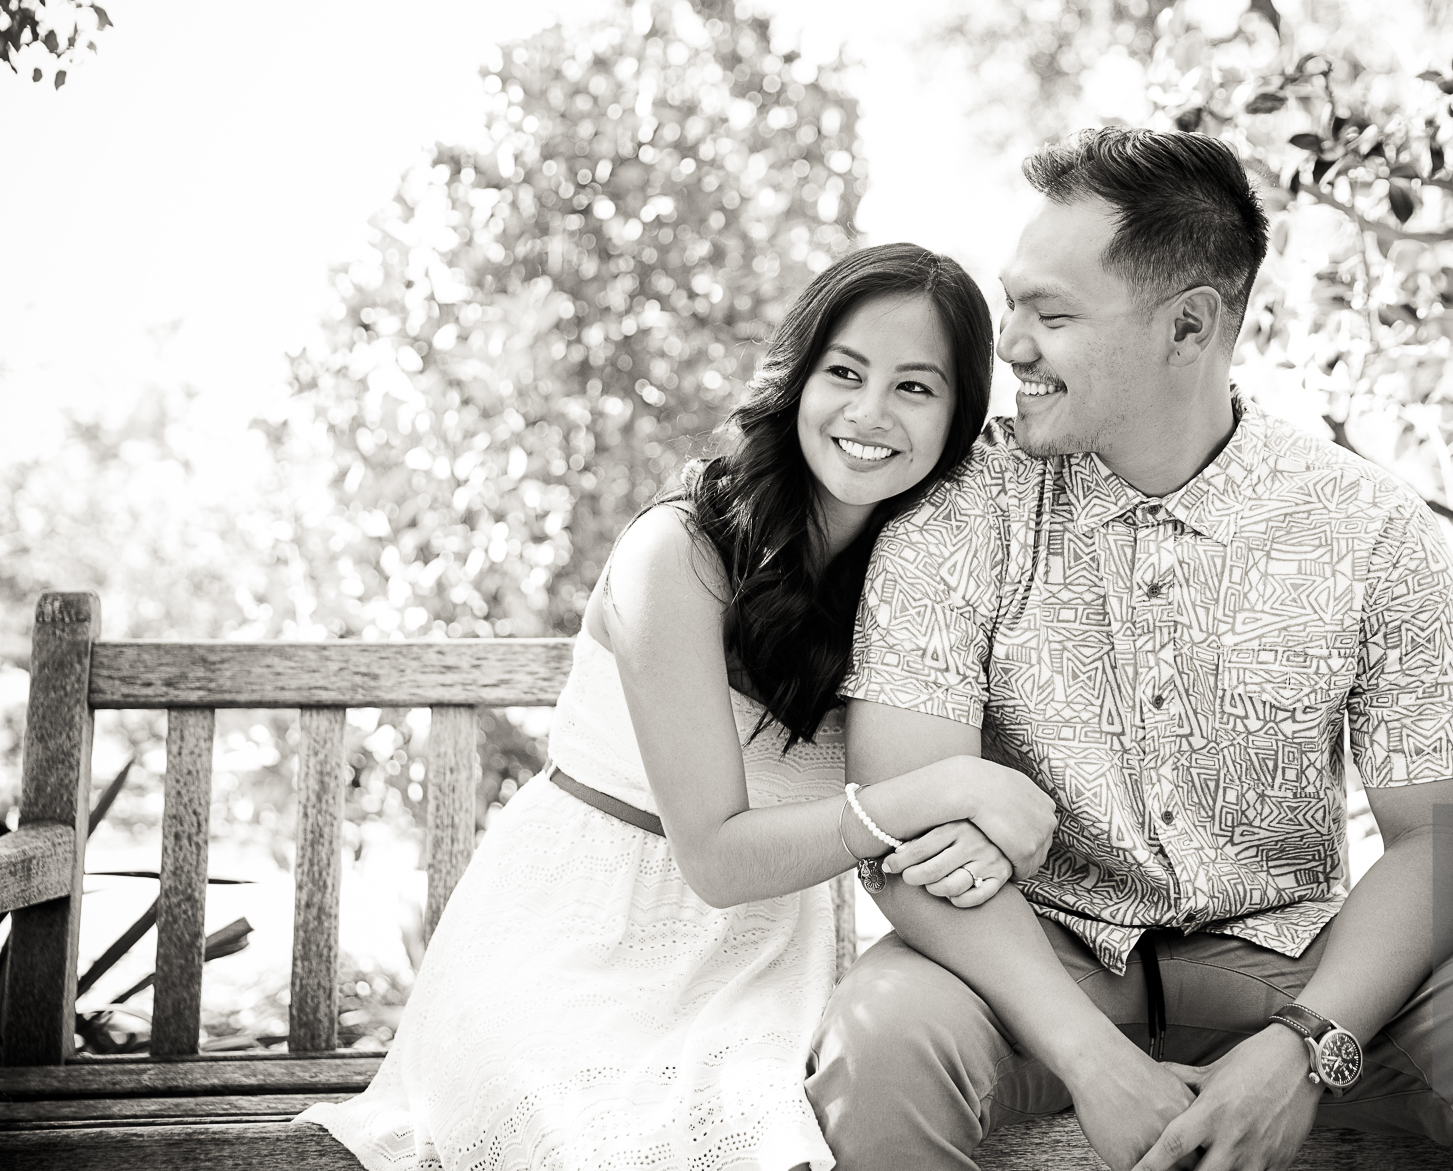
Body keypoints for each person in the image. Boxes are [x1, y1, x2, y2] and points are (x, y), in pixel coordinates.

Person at [806, 130, 1453, 1171]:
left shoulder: (1365, 523)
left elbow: (1445, 844)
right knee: (877, 1041)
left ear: (1189, 326)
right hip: (1029, 960)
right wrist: (1091, 1058)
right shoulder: (956, 512)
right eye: (1012, 302)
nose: (1007, 344)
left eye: (1051, 314)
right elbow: (903, 830)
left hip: (1299, 960)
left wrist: (1304, 1047)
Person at [299, 243, 1058, 1171]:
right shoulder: (681, 551)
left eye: (915, 388)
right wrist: (944, 789)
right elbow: (717, 857)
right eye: (845, 373)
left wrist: (990, 818)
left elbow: (986, 807)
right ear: (797, 379)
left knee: (811, 1114)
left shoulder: (924, 580)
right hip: (573, 945)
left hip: (761, 963)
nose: (869, 414)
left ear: (956, 417)